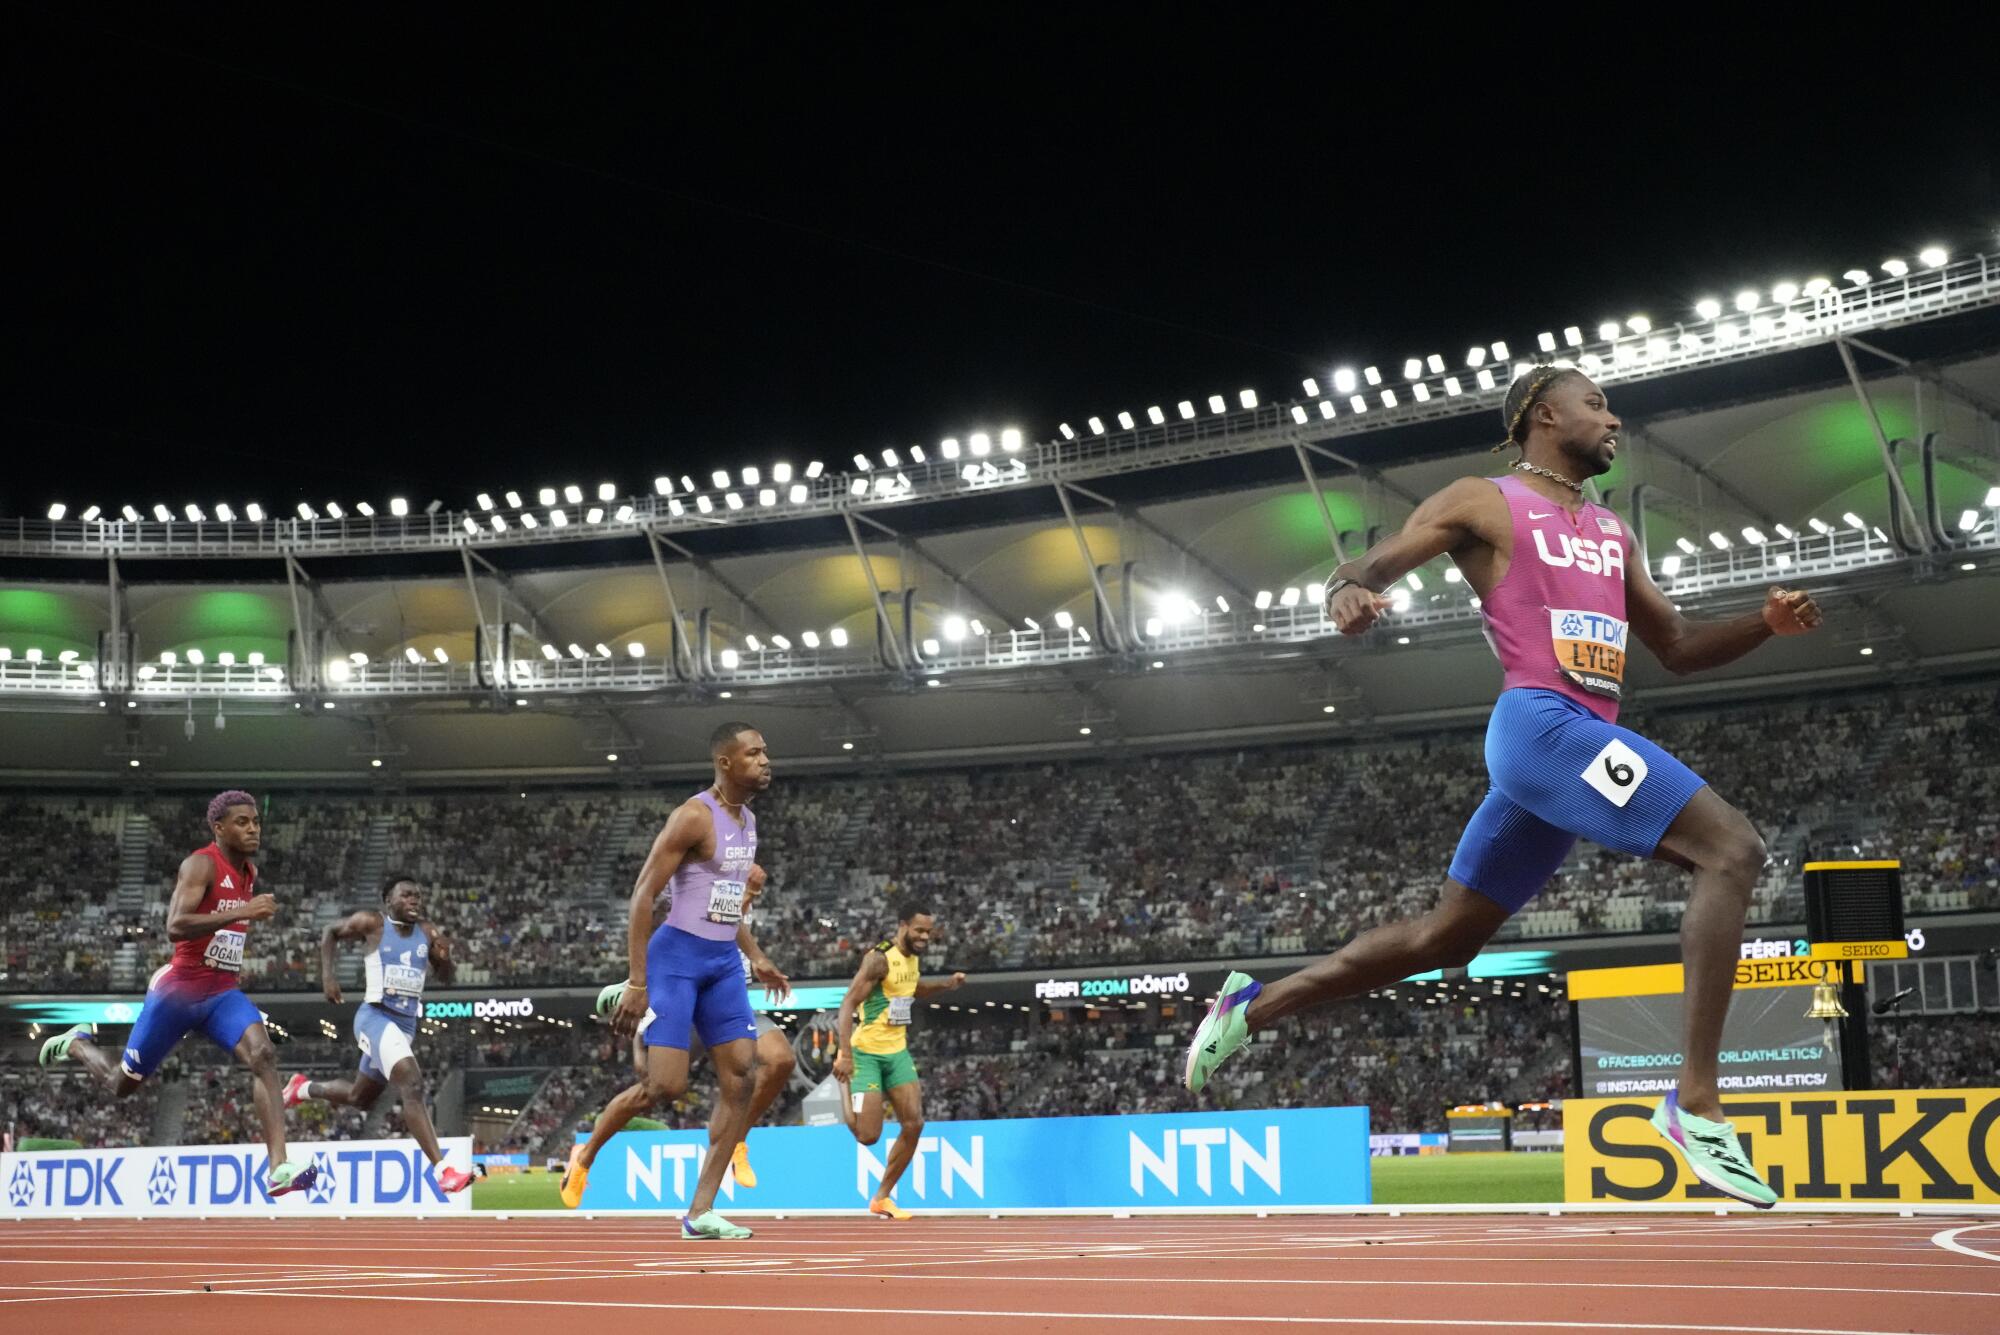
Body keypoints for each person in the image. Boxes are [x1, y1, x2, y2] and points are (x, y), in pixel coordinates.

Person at [1184, 365, 1824, 1209]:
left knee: (1446, 941)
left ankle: (1251, 1007)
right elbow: (1372, 561)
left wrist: (1763, 624)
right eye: (1596, 403)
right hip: (1543, 726)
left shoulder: (1610, 530)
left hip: (1565, 748)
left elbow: (1675, 645)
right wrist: (1350, 591)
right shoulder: (1483, 501)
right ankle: (1695, 1100)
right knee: (1732, 849)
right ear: (1544, 413)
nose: (1614, 418)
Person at [38, 790, 319, 1195]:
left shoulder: (248, 874)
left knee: (264, 1054)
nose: (253, 828)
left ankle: (278, 1168)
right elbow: (175, 925)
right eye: (242, 822)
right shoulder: (201, 863)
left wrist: (241, 913)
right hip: (180, 992)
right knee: (121, 1086)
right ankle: (79, 1043)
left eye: (256, 821)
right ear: (218, 828)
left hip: (222, 991)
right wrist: (244, 911)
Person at [564, 721, 777, 1239]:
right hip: (676, 958)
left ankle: (699, 1212)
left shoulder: (747, 820)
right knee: (665, 1085)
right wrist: (638, 982)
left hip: (723, 962)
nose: (766, 760)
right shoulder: (692, 816)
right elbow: (642, 895)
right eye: (754, 754)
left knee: (742, 1076)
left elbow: (725, 904)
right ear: (725, 762)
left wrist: (756, 955)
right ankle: (585, 1153)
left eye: (766, 752)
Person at [594, 860, 795, 1189]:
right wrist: (640, 1053)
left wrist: (758, 955)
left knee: (781, 1059)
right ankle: (587, 1153)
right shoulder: (689, 910)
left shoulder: (734, 897)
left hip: (726, 1005)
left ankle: (736, 1144)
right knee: (654, 1090)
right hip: (687, 1008)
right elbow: (723, 916)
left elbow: (734, 917)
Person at [283, 871, 473, 1193]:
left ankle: (302, 1088)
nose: (414, 900)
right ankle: (443, 1170)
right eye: (407, 895)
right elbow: (330, 931)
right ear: (389, 900)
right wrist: (327, 977)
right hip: (374, 1017)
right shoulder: (373, 924)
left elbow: (446, 976)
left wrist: (445, 958)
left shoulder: (427, 932)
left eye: (418, 896)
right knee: (412, 1085)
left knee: (361, 1098)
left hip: (405, 1025)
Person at [831, 902, 966, 1219]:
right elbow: (848, 1003)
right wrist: (845, 1054)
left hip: (897, 1053)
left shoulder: (914, 957)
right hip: (865, 1053)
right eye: (919, 930)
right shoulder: (879, 959)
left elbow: (912, 989)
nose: (925, 937)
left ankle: (882, 1197)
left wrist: (946, 985)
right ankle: (842, 1084)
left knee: (914, 1123)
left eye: (929, 932)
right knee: (868, 1137)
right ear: (903, 925)